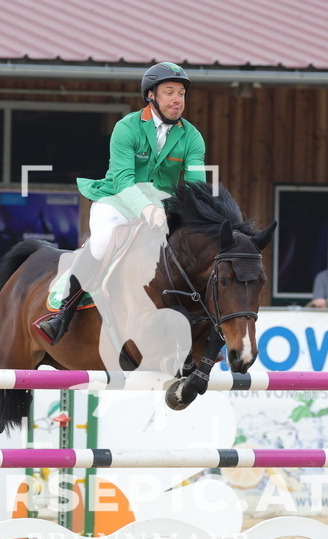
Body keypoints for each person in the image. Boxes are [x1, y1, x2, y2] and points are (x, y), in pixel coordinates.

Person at [37, 62, 206, 345]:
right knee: (102, 241)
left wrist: (191, 217)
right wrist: (147, 209)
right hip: (116, 202)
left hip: (163, 210)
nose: (177, 99)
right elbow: (124, 180)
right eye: (169, 92)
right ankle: (64, 312)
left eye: (181, 93)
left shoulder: (192, 136)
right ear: (151, 95)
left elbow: (196, 187)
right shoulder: (126, 127)